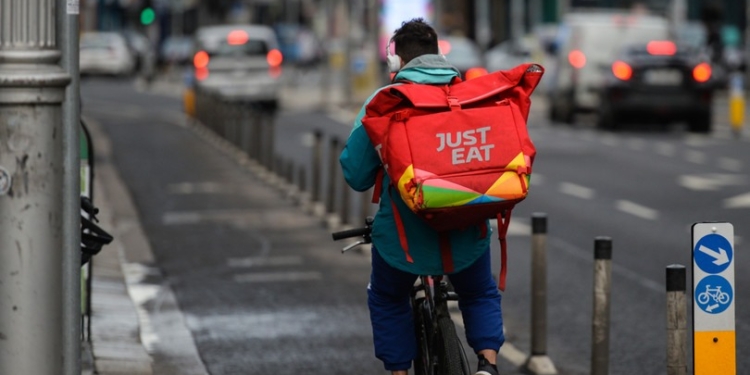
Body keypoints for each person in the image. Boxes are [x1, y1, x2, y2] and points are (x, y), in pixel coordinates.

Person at [339, 18, 503, 375]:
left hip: (403, 240)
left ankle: (400, 371)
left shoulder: (383, 102)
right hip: (467, 229)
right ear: (439, 55)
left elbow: (356, 175)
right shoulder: (473, 96)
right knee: (478, 293)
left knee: (387, 297)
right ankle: (487, 365)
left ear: (396, 63)